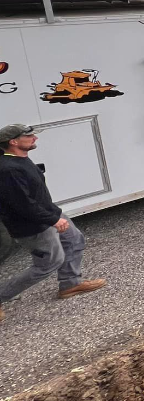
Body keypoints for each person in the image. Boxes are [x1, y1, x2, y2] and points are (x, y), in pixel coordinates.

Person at [0, 124, 105, 322]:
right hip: (33, 225)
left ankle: (70, 284)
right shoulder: (8, 170)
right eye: (28, 136)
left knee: (74, 240)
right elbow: (23, 206)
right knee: (48, 264)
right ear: (13, 142)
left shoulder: (20, 159)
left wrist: (54, 214)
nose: (35, 138)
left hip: (48, 212)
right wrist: (53, 220)